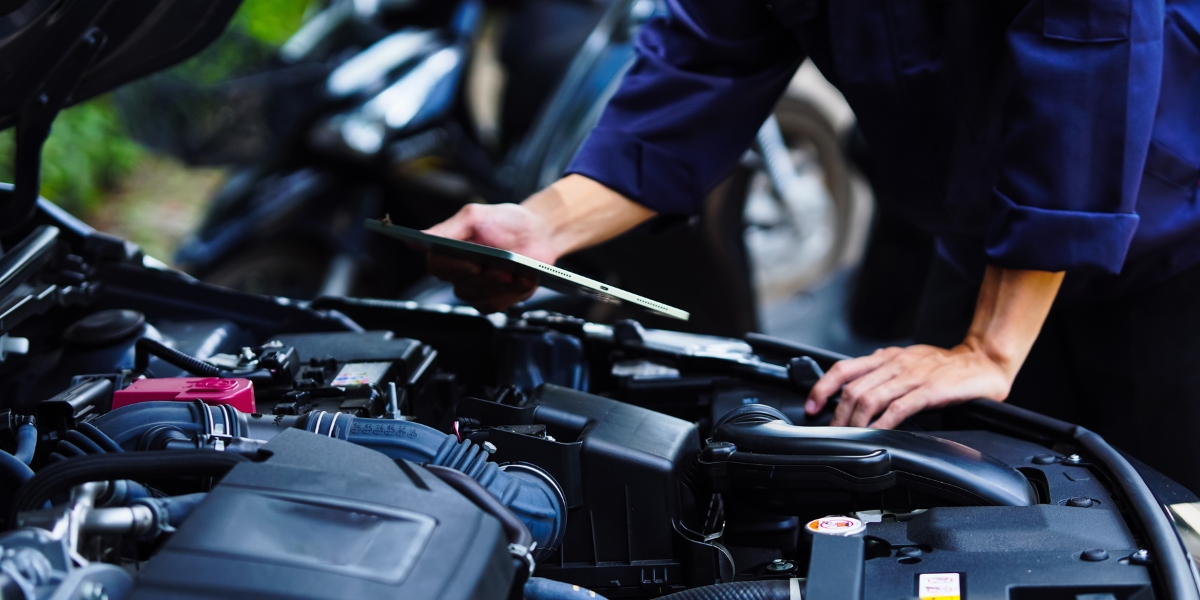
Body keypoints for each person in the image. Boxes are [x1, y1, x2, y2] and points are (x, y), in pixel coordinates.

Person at [425, 0, 1200, 491]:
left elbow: (1089, 51)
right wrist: (543, 226)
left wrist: (990, 348)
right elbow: (702, 62)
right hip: (984, 244)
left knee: (1169, 516)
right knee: (969, 500)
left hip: (1173, 243)